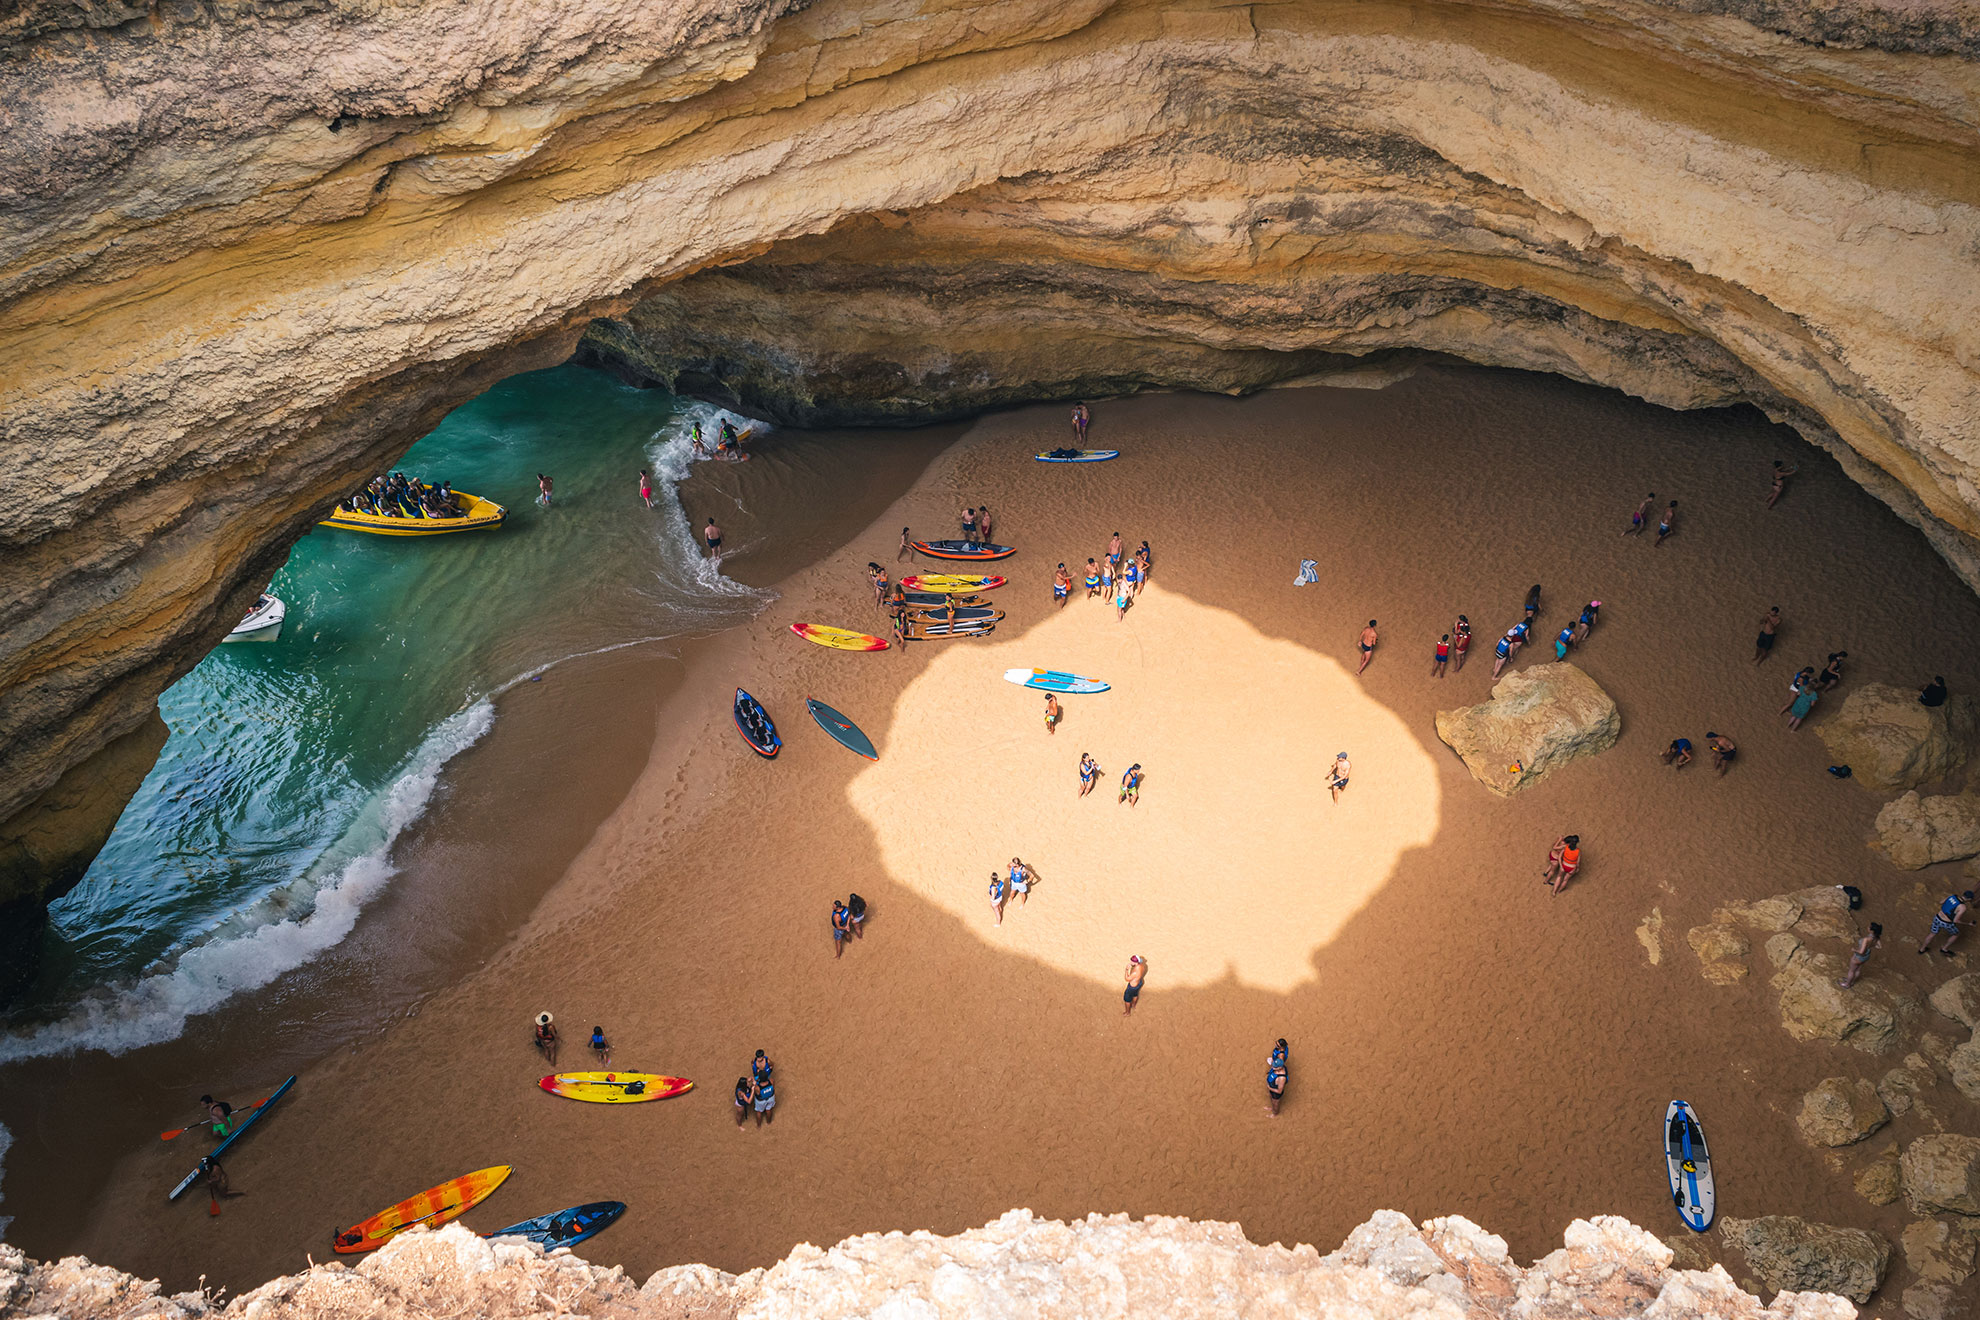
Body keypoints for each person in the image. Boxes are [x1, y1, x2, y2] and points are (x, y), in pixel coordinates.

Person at [1920, 891, 1975, 957]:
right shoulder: (1962, 907)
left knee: (1932, 934)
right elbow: (1955, 920)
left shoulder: (1953, 896)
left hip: (1937, 918)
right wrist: (1968, 923)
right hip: (1946, 923)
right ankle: (1944, 949)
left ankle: (1922, 949)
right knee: (1956, 934)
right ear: (1969, 899)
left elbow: (1941, 902)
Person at [1839, 924, 1883, 988]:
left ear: (1872, 931)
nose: (1867, 927)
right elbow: (1880, 947)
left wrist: (1854, 950)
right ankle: (1852, 981)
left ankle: (1847, 984)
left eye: (1869, 927)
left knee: (1851, 970)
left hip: (1859, 956)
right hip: (1866, 956)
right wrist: (1871, 946)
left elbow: (1861, 952)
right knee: (1858, 970)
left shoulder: (1866, 939)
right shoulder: (1876, 938)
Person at [1267, 1040, 1288, 1116]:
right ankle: (1272, 1108)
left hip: (1276, 1092)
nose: (1273, 1068)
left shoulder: (1282, 1078)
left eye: (1275, 1067)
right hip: (1272, 1088)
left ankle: (1275, 1113)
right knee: (1272, 1100)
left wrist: (1269, 1087)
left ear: (1280, 1067)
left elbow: (1279, 1091)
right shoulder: (1277, 1069)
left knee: (1275, 1102)